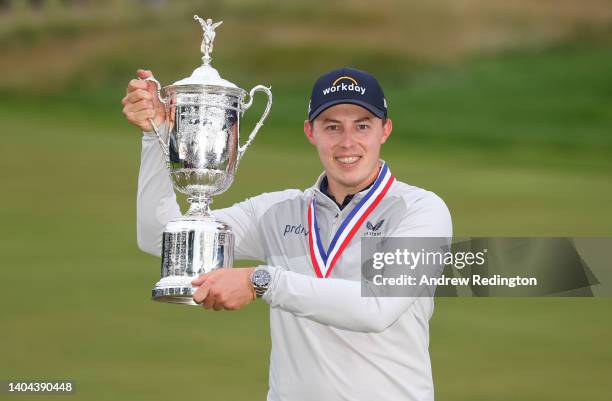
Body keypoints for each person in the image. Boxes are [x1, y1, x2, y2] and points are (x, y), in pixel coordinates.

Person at [122, 66, 452, 401]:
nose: (347, 142)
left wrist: (261, 281)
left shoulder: (421, 210)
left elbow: (377, 307)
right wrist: (156, 136)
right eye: (332, 127)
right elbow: (159, 238)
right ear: (311, 132)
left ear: (385, 130)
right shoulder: (277, 211)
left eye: (362, 126)